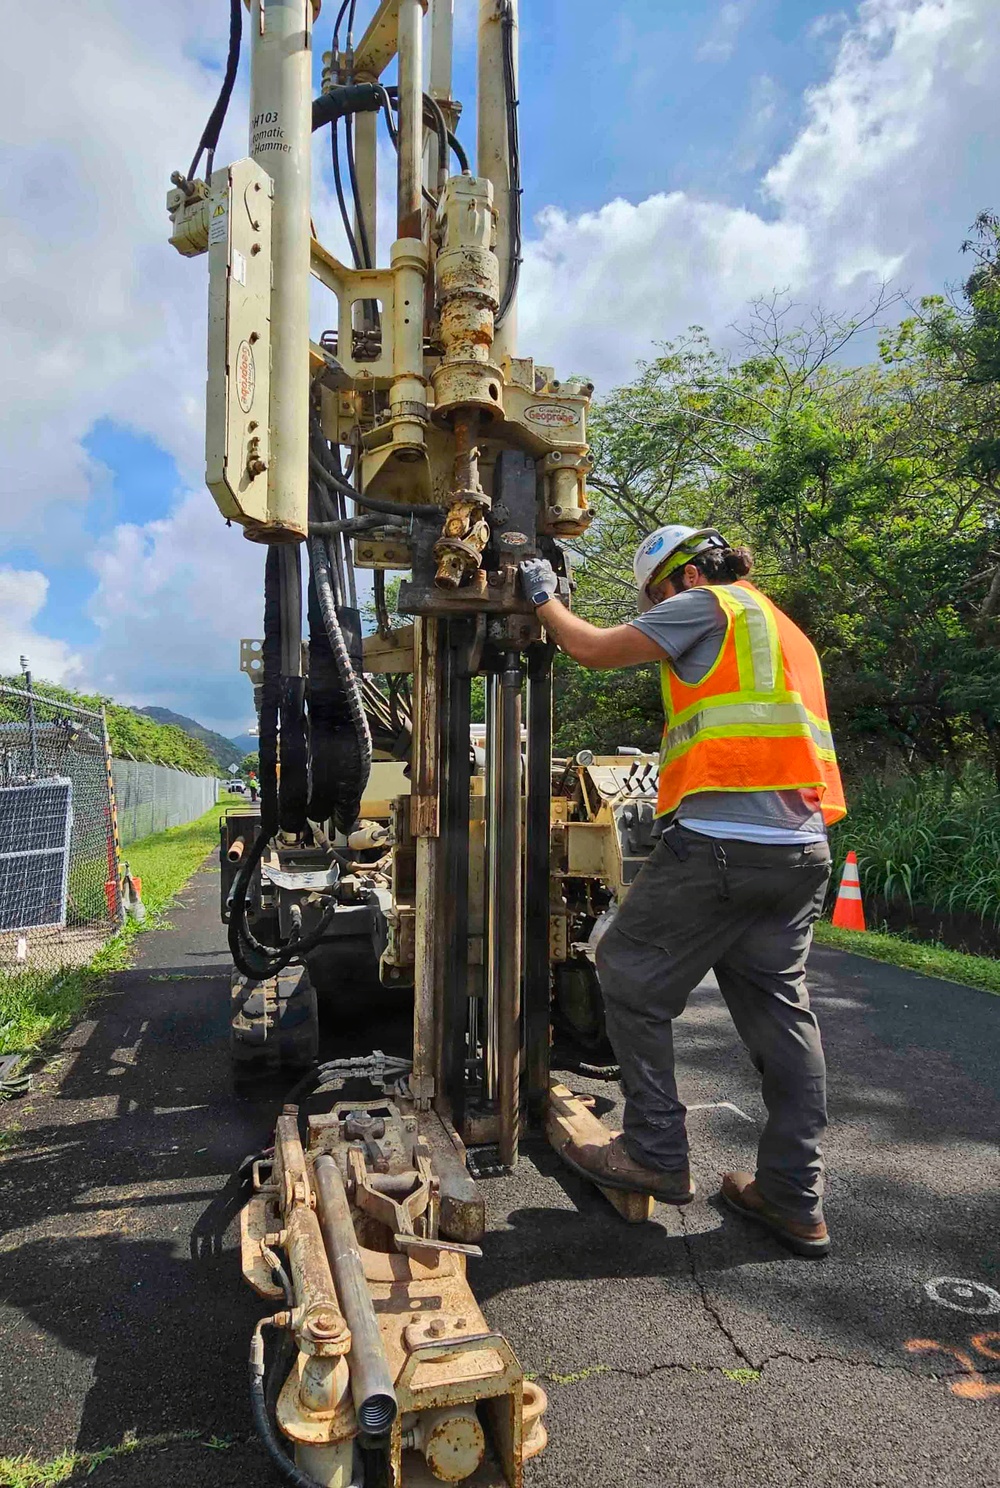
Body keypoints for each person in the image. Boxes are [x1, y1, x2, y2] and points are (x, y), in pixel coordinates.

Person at [519, 528, 845, 1258]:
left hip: (722, 844)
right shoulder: (784, 627)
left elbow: (595, 648)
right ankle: (794, 1197)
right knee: (781, 1017)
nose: (659, 610)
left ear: (688, 572)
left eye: (659, 593)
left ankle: (656, 1153)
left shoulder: (710, 605)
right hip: (799, 850)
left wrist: (542, 597)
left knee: (627, 970)